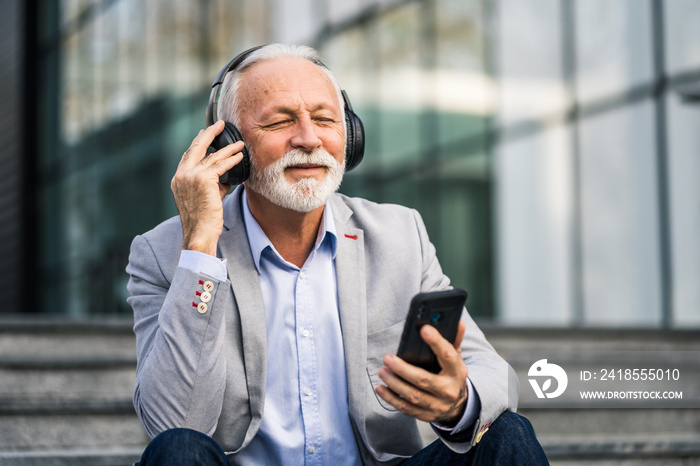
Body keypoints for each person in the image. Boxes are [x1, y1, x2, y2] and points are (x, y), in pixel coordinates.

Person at [126, 43, 547, 465]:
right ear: (227, 146)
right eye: (280, 121)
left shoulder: (400, 234)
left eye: (325, 120)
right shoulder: (163, 254)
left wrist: (457, 402)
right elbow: (173, 424)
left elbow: (493, 375)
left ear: (351, 135)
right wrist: (200, 246)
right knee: (177, 450)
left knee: (507, 434)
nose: (309, 139)